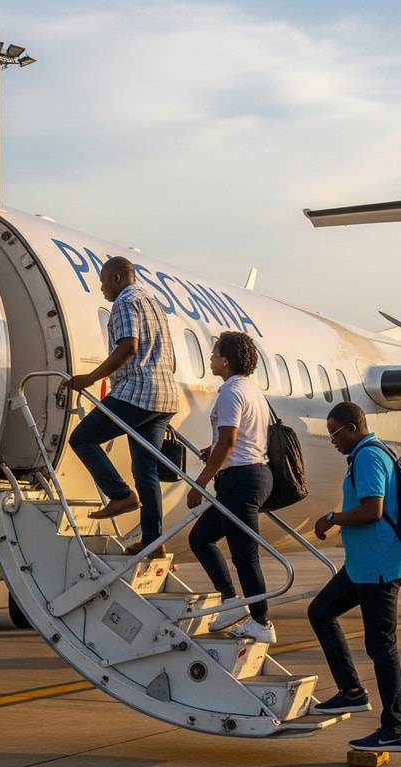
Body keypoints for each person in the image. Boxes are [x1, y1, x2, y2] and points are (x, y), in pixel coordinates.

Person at [308, 402, 401, 753]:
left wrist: (332, 518)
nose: (333, 441)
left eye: (335, 434)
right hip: (363, 565)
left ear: (354, 427)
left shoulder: (369, 456)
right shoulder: (365, 454)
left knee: (382, 647)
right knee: (320, 612)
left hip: (379, 567)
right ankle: (352, 691)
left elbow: (373, 510)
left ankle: (394, 728)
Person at [65, 256, 178, 558]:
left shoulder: (125, 302)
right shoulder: (154, 304)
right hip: (164, 397)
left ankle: (120, 495)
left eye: (103, 281)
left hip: (136, 393)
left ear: (116, 278)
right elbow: (171, 357)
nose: (101, 288)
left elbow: (129, 346)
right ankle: (153, 542)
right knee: (146, 471)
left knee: (83, 438)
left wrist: (90, 378)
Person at [187, 331, 274, 644]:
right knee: (200, 538)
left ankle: (261, 623)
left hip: (241, 479)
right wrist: (215, 448)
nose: (210, 359)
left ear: (226, 360)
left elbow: (229, 440)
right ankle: (231, 601)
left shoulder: (230, 391)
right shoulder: (251, 390)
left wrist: (200, 483)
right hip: (248, 475)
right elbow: (237, 438)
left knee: (245, 556)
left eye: (214, 354)